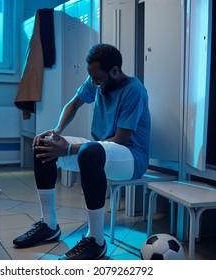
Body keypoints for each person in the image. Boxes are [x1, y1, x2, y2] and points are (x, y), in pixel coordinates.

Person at [12, 43, 151, 260]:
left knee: (88, 151)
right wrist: (57, 131)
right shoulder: (96, 81)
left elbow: (121, 139)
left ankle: (96, 241)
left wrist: (67, 148)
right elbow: (73, 104)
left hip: (131, 158)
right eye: (92, 79)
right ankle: (49, 226)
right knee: (44, 143)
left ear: (115, 71)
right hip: (101, 152)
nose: (94, 83)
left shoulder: (135, 90)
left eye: (98, 79)